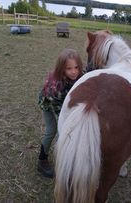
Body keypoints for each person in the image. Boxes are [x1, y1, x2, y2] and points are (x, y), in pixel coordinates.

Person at [37, 48, 83, 178]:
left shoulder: (80, 75)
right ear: (62, 68)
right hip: (50, 104)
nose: (74, 71)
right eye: (69, 68)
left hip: (64, 102)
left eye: (76, 67)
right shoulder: (57, 87)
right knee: (54, 130)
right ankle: (42, 160)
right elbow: (62, 115)